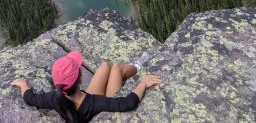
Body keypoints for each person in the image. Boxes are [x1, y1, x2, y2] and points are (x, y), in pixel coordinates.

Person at [11, 51, 161, 122]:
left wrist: (23, 85)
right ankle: (139, 65)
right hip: (96, 103)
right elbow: (127, 103)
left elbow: (30, 98)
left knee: (104, 65)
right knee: (116, 68)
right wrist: (143, 83)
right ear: (81, 78)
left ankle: (128, 71)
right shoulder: (96, 103)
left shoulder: (54, 97)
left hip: (81, 102)